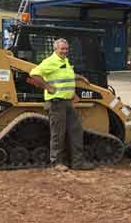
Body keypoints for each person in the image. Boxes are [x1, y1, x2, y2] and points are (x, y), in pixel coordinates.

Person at [26, 39, 88, 170]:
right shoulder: (50, 61)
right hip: (56, 103)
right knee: (58, 134)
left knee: (76, 131)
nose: (65, 51)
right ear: (55, 50)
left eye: (66, 49)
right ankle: (56, 162)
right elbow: (34, 73)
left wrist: (79, 77)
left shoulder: (64, 61)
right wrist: (47, 86)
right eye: (62, 49)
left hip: (67, 102)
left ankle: (78, 162)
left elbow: (66, 75)